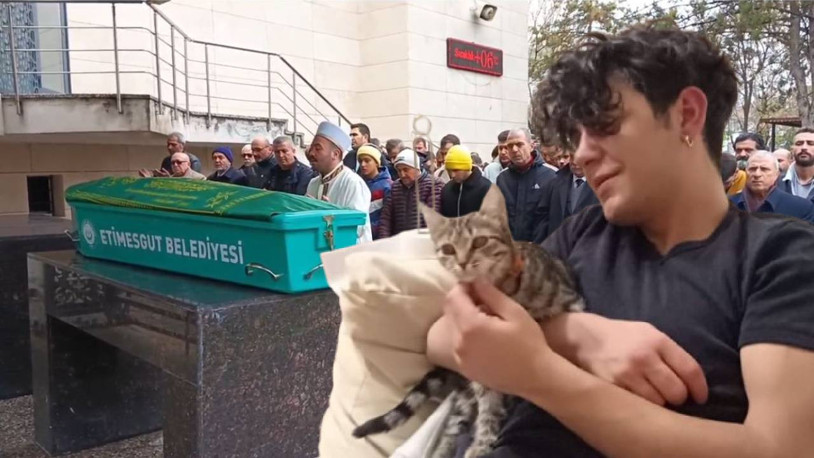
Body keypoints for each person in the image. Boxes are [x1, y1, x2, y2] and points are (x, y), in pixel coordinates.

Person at [426, 25, 814, 457]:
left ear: (687, 114)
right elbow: (445, 333)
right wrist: (579, 334)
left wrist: (540, 372)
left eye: (603, 124)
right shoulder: (581, 233)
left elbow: (781, 448)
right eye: (576, 136)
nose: (582, 153)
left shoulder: (780, 255)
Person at [305, 122, 372, 244]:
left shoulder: (353, 183)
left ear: (335, 154)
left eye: (318, 148)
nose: (311, 153)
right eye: (312, 148)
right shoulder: (313, 183)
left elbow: (357, 229)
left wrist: (331, 215)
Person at [495, 128, 556, 242]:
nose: (514, 149)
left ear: (531, 146)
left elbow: (554, 218)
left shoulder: (551, 176)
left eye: (519, 144)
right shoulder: (502, 179)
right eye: (510, 146)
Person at [730, 151, 814, 223]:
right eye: (752, 169)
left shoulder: (801, 208)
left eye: (764, 169)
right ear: (746, 171)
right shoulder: (727, 206)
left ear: (777, 174)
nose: (757, 174)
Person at [378, 148, 443, 238]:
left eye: (406, 169)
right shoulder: (395, 187)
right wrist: (385, 241)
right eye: (399, 170)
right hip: (399, 241)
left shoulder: (433, 184)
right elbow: (386, 219)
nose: (402, 174)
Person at [534, 159, 599, 242]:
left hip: (587, 245)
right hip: (557, 244)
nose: (575, 162)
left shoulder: (601, 185)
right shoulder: (555, 183)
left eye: (578, 158)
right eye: (572, 157)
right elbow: (542, 214)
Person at [439, 145, 492, 218]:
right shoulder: (446, 190)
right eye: (449, 170)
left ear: (466, 167)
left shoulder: (486, 189)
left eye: (456, 170)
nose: (452, 175)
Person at [356, 144, 392, 239]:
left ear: (376, 163)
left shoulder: (387, 185)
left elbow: (388, 217)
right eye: (360, 161)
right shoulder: (357, 183)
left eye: (367, 161)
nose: (363, 164)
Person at [780, 127, 814, 202]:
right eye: (799, 144)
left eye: (811, 143)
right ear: (792, 149)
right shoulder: (775, 182)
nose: (804, 147)